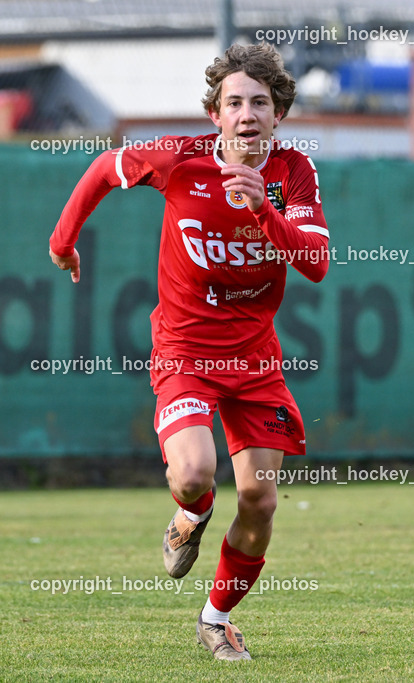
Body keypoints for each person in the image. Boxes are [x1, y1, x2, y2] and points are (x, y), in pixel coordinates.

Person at [48, 43, 330, 661]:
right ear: (215, 115)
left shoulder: (294, 174)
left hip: (256, 362)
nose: (247, 114)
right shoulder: (180, 159)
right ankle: (191, 513)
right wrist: (64, 239)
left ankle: (215, 618)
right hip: (185, 353)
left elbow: (314, 263)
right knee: (195, 472)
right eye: (234, 102)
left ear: (279, 114)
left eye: (260, 102)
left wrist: (264, 209)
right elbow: (104, 168)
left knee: (260, 499)